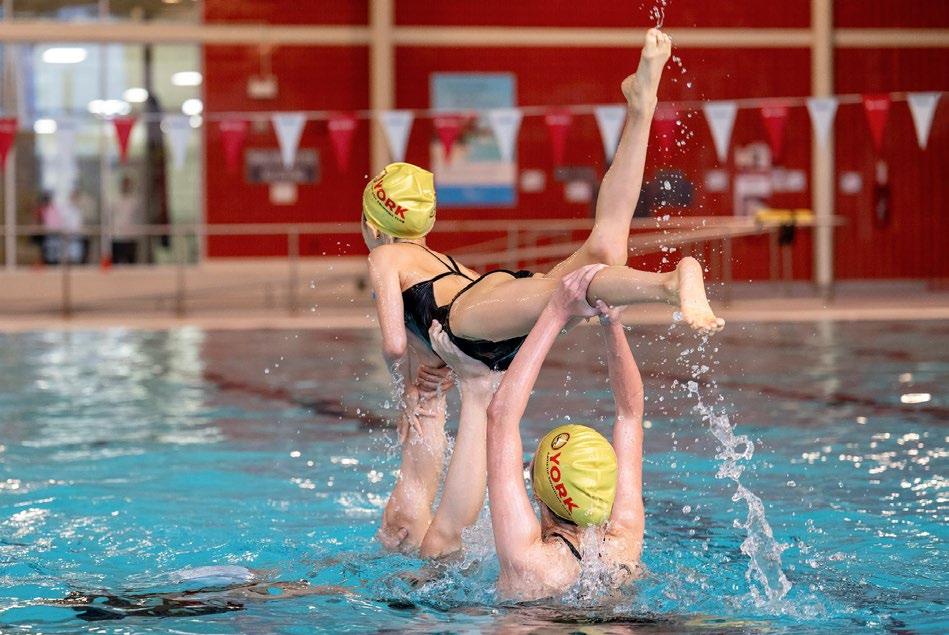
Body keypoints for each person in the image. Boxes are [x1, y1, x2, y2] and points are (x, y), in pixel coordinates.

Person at [363, 30, 722, 383]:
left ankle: (668, 284)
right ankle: (641, 111)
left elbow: (394, 345)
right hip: (491, 307)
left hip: (478, 315)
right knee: (606, 246)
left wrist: (404, 375)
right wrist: (438, 361)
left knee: (575, 287)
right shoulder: (441, 262)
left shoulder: (384, 257)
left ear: (374, 226)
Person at [443, 264, 647, 601]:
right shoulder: (624, 545)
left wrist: (556, 310)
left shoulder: (529, 561)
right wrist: (613, 325)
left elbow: (501, 416)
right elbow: (630, 414)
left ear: (540, 491)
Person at [111, 175, 141, 264]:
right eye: (124, 184)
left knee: (131, 263)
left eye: (127, 184)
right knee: (116, 263)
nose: (126, 186)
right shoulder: (114, 200)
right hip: (117, 237)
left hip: (131, 237)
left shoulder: (135, 201)